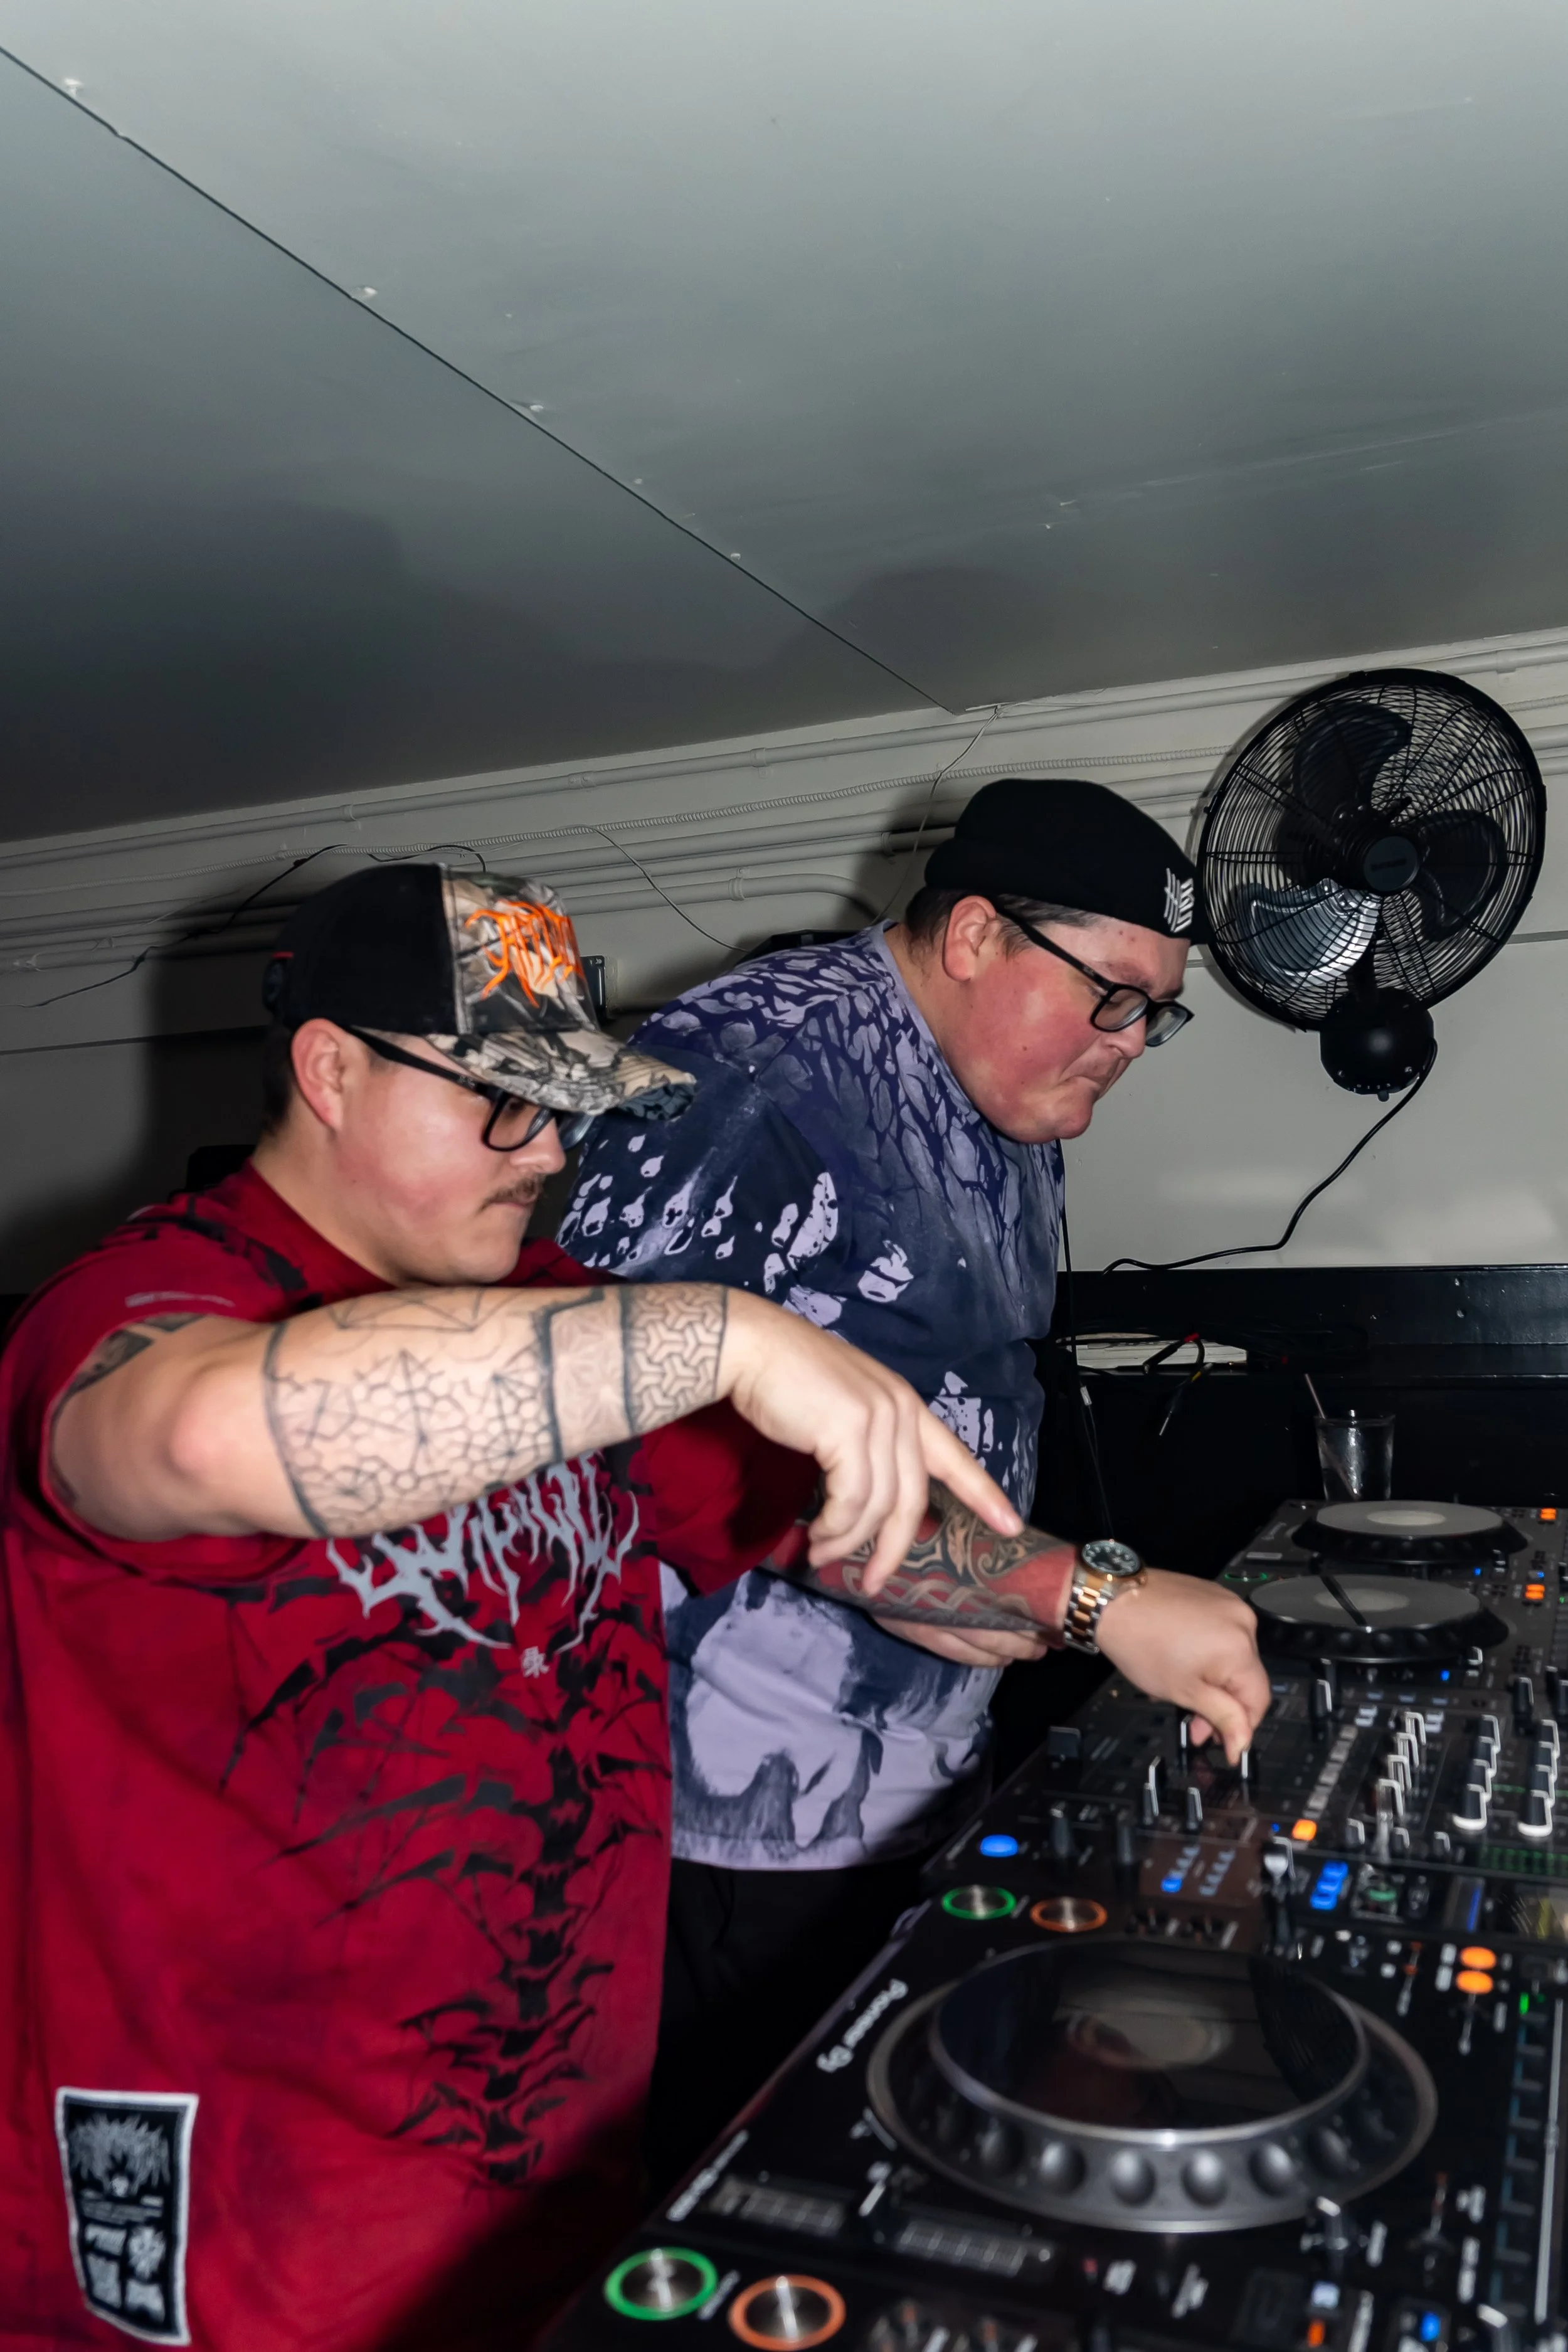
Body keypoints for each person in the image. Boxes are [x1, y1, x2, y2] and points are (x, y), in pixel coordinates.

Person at [0, 864, 1082, 2352]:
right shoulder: (139, 1304)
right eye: (503, 1100)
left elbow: (850, 1541)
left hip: (548, 2196)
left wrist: (1101, 1600)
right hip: (252, 2249)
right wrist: (720, 1330)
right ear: (328, 1069)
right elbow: (191, 1438)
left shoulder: (557, 1306)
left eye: (565, 1104)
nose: (550, 1150)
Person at [559, 777, 1268, 2173]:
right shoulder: (751, 1068)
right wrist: (1089, 1596)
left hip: (917, 1787)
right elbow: (615, 1420)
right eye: (1107, 997)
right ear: (973, 938)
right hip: (725, 1833)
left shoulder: (1006, 1107)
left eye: (1154, 1014)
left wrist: (1024, 1598)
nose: (1129, 1044)